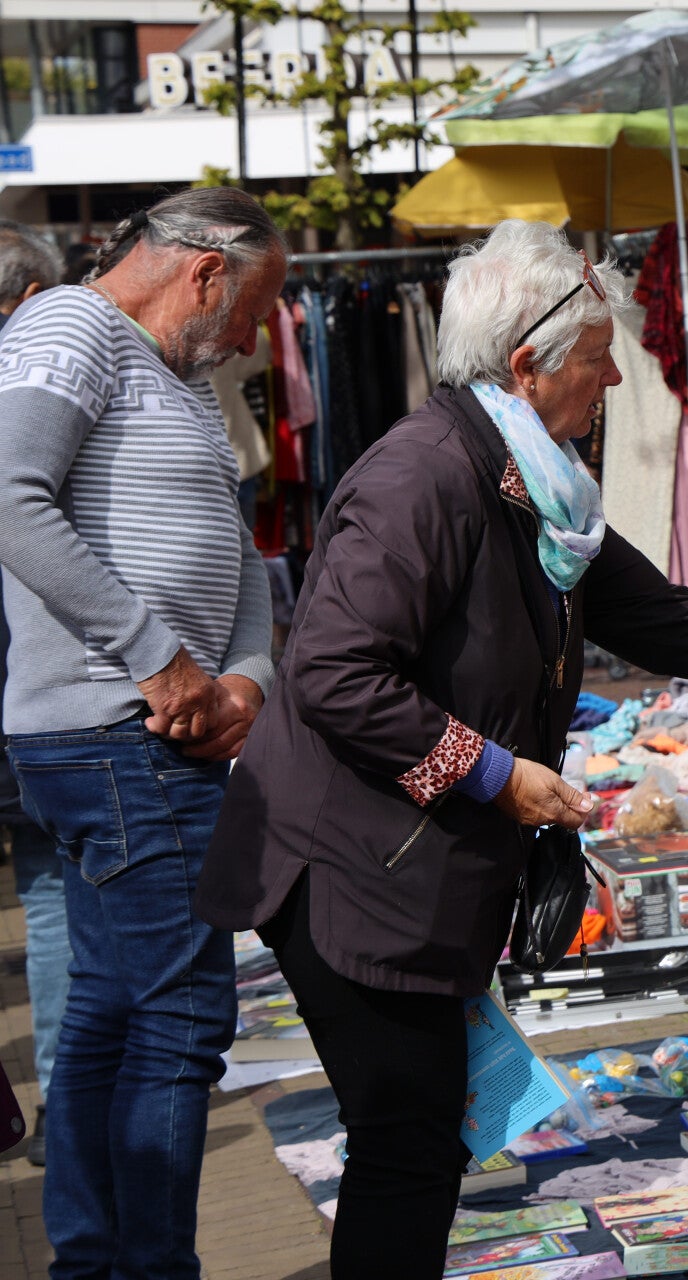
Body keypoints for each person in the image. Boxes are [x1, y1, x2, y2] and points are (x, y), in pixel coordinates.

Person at [191, 220, 688, 1279]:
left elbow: (673, 621)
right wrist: (497, 774)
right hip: (351, 872)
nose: (614, 382)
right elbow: (332, 675)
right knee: (407, 1145)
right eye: (599, 359)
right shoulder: (424, 476)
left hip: (406, 867)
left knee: (417, 1142)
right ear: (527, 365)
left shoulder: (537, 484)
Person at [0, 187, 284, 1277]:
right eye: (251, 310)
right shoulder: (73, 325)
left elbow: (236, 549)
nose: (251, 339)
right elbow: (11, 497)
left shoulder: (175, 378)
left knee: (116, 1014)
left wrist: (248, 677)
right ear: (205, 272)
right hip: (120, 734)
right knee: (181, 1020)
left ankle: (94, 1262)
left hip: (150, 735)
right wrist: (156, 656)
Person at [0, 217, 67, 1169]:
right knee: (55, 895)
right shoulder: (37, 385)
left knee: (52, 894)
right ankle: (66, 1095)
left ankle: (67, 1092)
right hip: (35, 684)